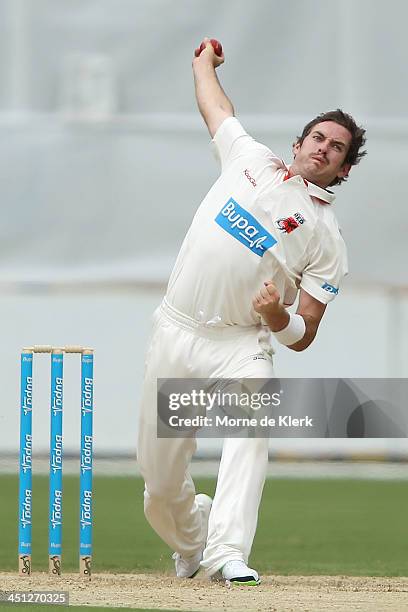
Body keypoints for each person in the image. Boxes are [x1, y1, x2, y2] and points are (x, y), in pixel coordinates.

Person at [137, 38, 366, 586]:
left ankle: (228, 551)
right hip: (177, 330)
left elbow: (303, 333)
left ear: (343, 170)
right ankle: (193, 542)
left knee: (251, 427)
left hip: (240, 344)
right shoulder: (249, 158)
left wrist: (274, 318)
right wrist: (201, 64)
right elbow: (216, 107)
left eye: (336, 148)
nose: (323, 149)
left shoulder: (327, 239)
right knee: (160, 482)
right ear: (299, 141)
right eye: (318, 137)